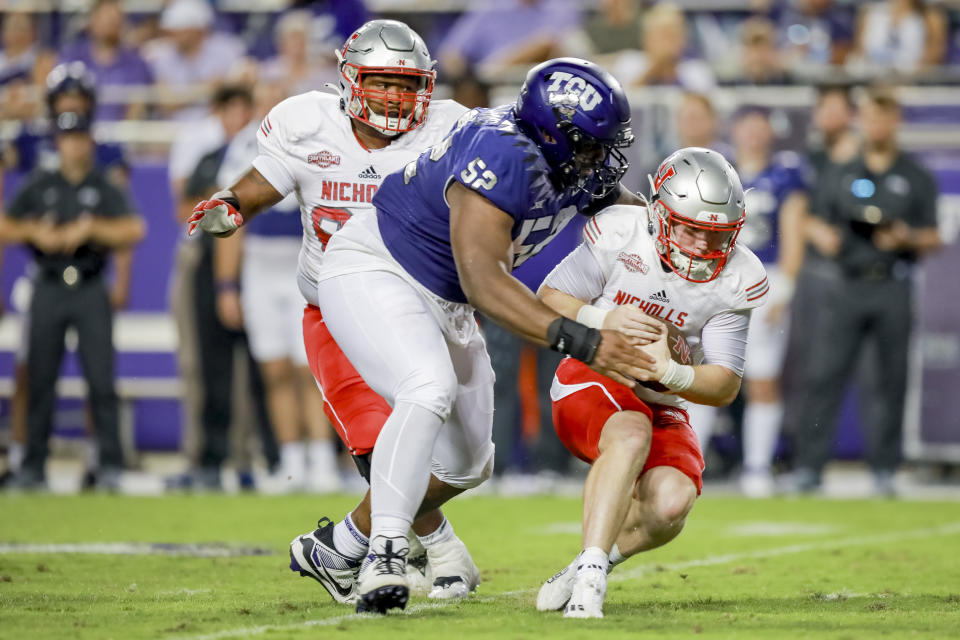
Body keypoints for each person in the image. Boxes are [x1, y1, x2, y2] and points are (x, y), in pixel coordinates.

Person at [265, 56, 654, 615]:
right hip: (377, 266)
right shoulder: (504, 152)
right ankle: (386, 555)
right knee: (427, 387)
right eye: (591, 145)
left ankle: (340, 546)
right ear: (553, 133)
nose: (601, 159)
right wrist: (587, 342)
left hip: (443, 300)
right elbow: (486, 281)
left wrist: (674, 229)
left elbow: (620, 208)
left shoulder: (563, 164)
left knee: (468, 463)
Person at [186, 20, 483, 607]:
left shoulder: (452, 129)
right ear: (350, 81)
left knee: (463, 460)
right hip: (338, 311)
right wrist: (232, 203)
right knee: (383, 452)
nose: (395, 97)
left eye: (406, 84)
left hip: (428, 310)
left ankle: (344, 547)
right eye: (381, 83)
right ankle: (416, 551)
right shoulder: (308, 124)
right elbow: (265, 179)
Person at [534, 147, 767, 618]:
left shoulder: (736, 278)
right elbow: (548, 297)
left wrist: (670, 372)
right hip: (593, 372)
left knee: (670, 503)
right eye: (692, 229)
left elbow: (723, 384)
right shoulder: (622, 233)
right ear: (659, 213)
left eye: (715, 235)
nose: (703, 247)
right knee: (630, 431)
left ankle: (588, 562)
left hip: (659, 394)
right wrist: (603, 317)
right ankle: (592, 579)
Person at [790, 86, 941, 496]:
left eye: (883, 118)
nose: (876, 126)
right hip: (846, 284)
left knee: (891, 380)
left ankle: (885, 469)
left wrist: (906, 237)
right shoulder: (844, 171)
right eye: (870, 118)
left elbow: (934, 236)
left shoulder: (915, 175)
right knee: (824, 376)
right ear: (862, 122)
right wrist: (824, 235)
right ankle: (810, 466)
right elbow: (812, 218)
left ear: (896, 122)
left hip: (891, 283)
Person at [0, 110, 145, 491]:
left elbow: (135, 227)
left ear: (89, 143)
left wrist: (92, 228)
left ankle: (110, 466)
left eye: (80, 137)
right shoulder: (41, 182)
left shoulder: (103, 184)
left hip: (89, 282)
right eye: (67, 138)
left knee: (100, 377)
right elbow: (6, 225)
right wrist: (37, 232)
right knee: (40, 377)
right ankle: (32, 466)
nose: (74, 145)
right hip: (47, 283)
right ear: (58, 142)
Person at [209, 83, 341, 493]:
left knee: (310, 370)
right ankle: (290, 461)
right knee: (274, 369)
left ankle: (321, 460)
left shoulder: (318, 140)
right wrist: (227, 285)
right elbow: (230, 217)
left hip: (303, 258)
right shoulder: (245, 143)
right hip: (261, 265)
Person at [688, 107, 808, 497]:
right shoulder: (718, 171)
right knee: (703, 376)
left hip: (763, 279)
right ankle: (690, 460)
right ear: (734, 129)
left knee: (762, 377)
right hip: (718, 280)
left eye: (760, 126)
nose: (753, 135)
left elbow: (793, 232)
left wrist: (785, 287)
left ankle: (757, 467)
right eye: (747, 126)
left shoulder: (784, 175)